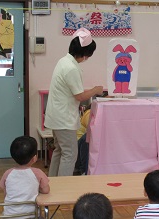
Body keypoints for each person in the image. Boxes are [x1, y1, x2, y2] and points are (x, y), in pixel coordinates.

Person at [45, 27, 103, 177]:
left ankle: (53, 183)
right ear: (86, 53)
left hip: (56, 116)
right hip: (63, 118)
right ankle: (63, 189)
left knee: (59, 151)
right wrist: (96, 90)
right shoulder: (71, 68)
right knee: (70, 154)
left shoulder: (63, 61)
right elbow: (80, 96)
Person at [0, 136, 50, 217]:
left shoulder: (7, 173)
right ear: (34, 158)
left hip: (10, 216)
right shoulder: (37, 172)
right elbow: (46, 190)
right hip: (32, 215)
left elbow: (6, 193)